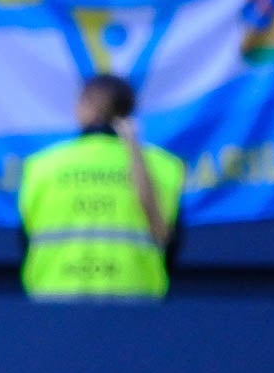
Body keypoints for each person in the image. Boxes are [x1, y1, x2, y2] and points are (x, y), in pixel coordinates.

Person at [17, 74, 185, 302]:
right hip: (136, 299)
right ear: (128, 109)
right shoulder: (164, 167)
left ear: (86, 107)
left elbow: (25, 238)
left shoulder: (43, 166)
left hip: (55, 297)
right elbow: (172, 244)